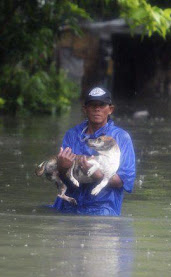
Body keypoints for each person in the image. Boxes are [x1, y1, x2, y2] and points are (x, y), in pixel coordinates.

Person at [52, 87, 136, 216]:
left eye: (102, 105)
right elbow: (61, 175)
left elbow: (124, 180)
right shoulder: (72, 134)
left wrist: (97, 175)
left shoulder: (121, 138)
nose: (97, 109)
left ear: (110, 109)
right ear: (85, 109)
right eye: (92, 105)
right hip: (68, 206)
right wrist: (62, 168)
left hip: (103, 209)